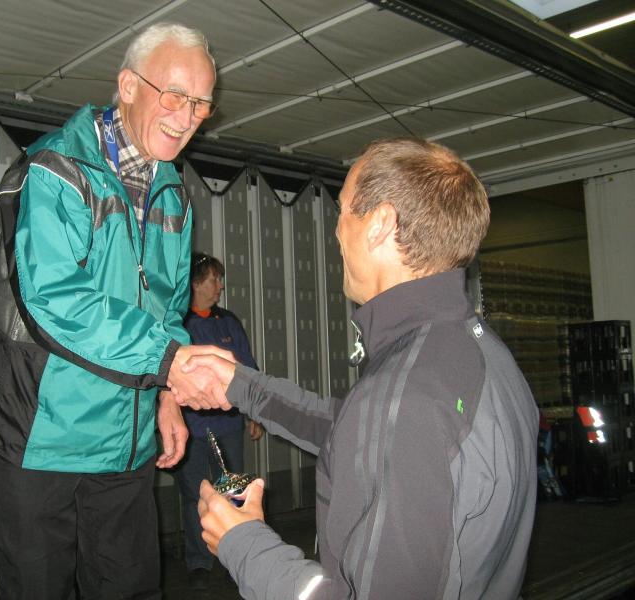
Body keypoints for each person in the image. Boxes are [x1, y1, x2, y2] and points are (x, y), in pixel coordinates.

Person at [180, 138, 539, 599]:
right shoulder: (478, 353)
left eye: (344, 210)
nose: (336, 232)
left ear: (380, 224)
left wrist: (243, 542)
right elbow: (363, 434)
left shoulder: (409, 394)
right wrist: (242, 386)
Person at [0, 22, 227, 600]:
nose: (188, 116)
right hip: (40, 440)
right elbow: (55, 298)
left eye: (201, 103)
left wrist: (167, 396)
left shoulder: (173, 193)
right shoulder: (55, 168)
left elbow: (168, 308)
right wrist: (168, 363)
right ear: (128, 86)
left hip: (125, 446)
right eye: (175, 95)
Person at [175, 252, 264, 591]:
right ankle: (198, 562)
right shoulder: (178, 324)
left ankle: (233, 557)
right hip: (191, 428)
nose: (220, 286)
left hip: (227, 426)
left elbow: (248, 369)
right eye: (214, 279)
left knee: (234, 493)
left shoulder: (228, 322)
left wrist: (254, 412)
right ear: (196, 283)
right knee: (193, 496)